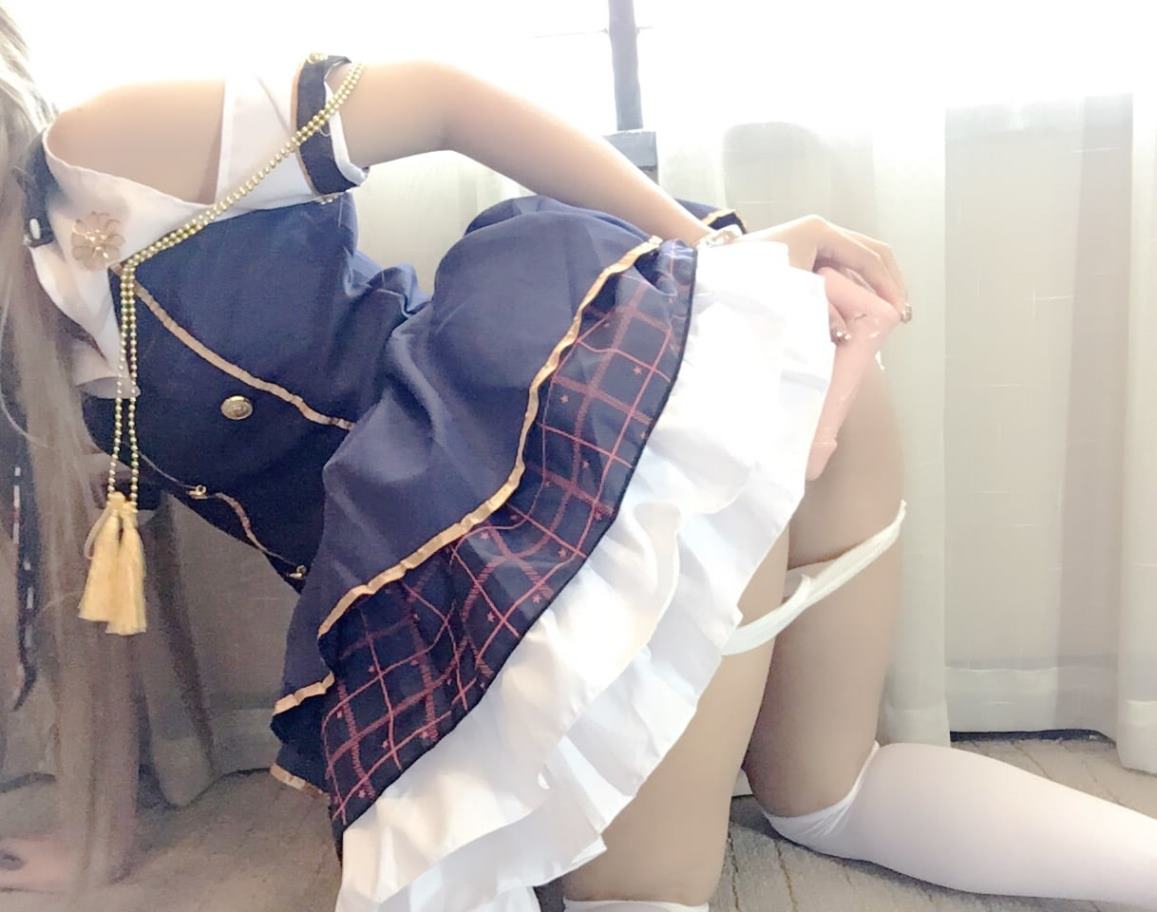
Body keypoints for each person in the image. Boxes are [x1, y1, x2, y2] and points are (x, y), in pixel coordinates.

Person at [0, 10, 1155, 912]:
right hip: (655, 408)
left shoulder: (98, 160)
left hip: (577, 473)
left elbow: (441, 96)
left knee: (630, 891)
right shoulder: (30, 337)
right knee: (831, 793)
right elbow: (91, 598)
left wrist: (719, 254)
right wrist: (98, 831)